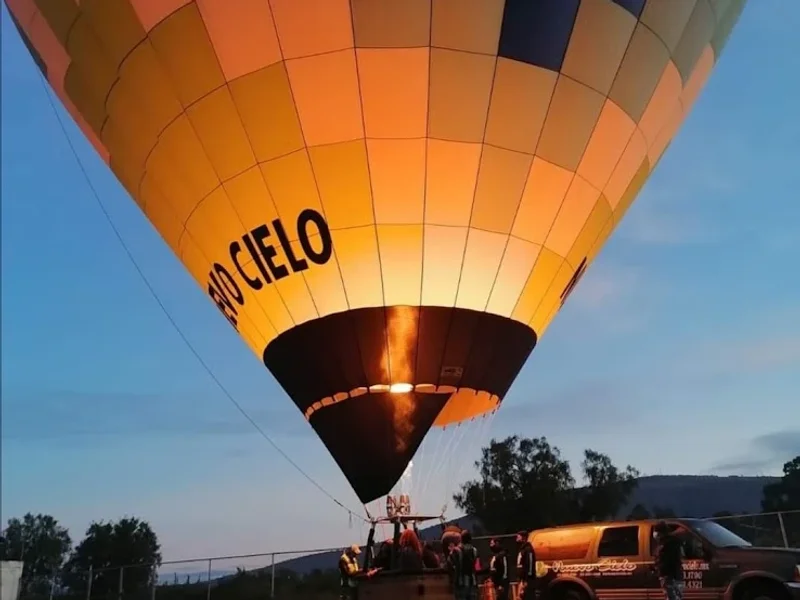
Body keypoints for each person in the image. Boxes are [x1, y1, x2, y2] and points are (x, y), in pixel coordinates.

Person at [654, 522, 685, 600]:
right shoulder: (675, 541)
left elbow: (665, 561)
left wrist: (657, 569)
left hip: (669, 576)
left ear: (659, 532)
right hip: (677, 576)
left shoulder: (665, 544)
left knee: (671, 597)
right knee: (677, 597)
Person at [448, 529, 480, 600]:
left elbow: (450, 562)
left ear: (461, 539)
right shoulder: (475, 550)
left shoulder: (456, 550)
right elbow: (477, 566)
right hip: (472, 582)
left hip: (460, 583)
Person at [515, 531, 536, 600]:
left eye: (519, 536)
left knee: (527, 596)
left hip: (527, 579)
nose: (517, 537)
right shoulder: (522, 549)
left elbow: (530, 563)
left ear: (523, 537)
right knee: (520, 596)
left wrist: (527, 580)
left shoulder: (528, 549)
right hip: (522, 579)